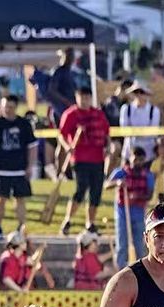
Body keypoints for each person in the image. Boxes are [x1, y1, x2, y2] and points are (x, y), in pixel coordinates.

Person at [58, 86, 110, 236]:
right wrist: (68, 146)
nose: (85, 101)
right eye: (82, 98)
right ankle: (68, 219)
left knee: (96, 193)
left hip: (98, 158)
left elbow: (106, 133)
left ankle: (90, 223)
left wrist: (108, 146)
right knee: (81, 189)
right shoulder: (70, 114)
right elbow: (62, 134)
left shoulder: (98, 114)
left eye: (87, 98)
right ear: (77, 98)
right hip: (80, 159)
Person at [0, 95, 37, 241]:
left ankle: (21, 227)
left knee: (20, 199)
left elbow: (32, 147)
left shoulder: (24, 124)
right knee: (0, 199)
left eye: (11, 107)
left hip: (19, 168)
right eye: (5, 106)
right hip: (1, 169)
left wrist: (30, 166)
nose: (8, 110)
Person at [108, 146, 155, 263]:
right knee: (122, 245)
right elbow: (106, 185)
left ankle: (141, 271)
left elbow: (149, 195)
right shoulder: (121, 172)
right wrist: (117, 182)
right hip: (122, 213)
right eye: (135, 160)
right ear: (130, 158)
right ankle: (120, 271)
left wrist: (137, 196)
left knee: (139, 245)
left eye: (141, 160)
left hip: (138, 213)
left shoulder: (148, 175)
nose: (138, 163)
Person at [119, 82, 160, 161]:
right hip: (129, 152)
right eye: (136, 92)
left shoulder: (154, 110)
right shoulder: (125, 109)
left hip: (148, 153)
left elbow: (153, 132)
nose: (139, 95)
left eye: (142, 92)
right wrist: (141, 132)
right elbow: (124, 130)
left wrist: (135, 132)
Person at [46, 49, 77, 124]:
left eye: (72, 56)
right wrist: (65, 101)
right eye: (68, 55)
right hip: (60, 110)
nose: (70, 58)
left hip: (72, 108)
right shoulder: (59, 72)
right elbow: (52, 90)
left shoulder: (72, 72)